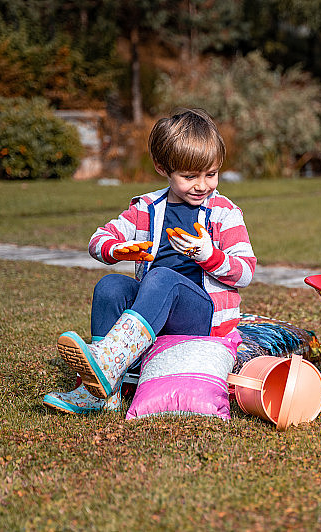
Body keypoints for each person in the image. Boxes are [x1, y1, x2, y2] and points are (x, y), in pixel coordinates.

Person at [43, 108, 256, 414]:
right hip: (154, 309)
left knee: (161, 277)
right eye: (189, 176)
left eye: (210, 174)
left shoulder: (225, 213)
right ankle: (101, 394)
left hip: (201, 316)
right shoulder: (147, 208)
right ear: (162, 168)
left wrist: (208, 255)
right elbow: (98, 239)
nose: (202, 185)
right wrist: (118, 250)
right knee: (110, 286)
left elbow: (245, 272)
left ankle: (109, 362)